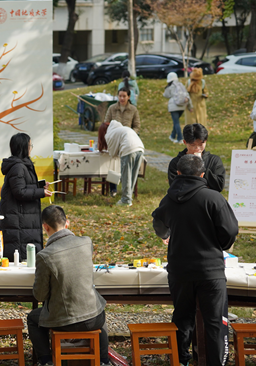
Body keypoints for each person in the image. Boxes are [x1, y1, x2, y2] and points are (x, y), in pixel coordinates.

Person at [153, 155, 238, 366]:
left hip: (180, 270)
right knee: (215, 323)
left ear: (178, 173)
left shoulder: (168, 199)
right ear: (202, 174)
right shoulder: (213, 198)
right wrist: (218, 244)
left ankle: (180, 361)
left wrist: (167, 235)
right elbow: (230, 231)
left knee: (182, 318)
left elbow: (159, 225)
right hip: (210, 270)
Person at [27, 205, 110, 366]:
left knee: (33, 318)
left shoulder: (45, 256)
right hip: (94, 319)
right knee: (99, 308)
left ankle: (46, 361)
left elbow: (40, 295)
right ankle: (104, 360)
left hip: (64, 321)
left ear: (45, 227)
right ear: (67, 223)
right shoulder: (86, 242)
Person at [0, 133, 52, 261]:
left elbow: (24, 185)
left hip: (24, 217)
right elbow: (19, 192)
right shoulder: (18, 167)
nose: (31, 148)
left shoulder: (22, 165)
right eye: (30, 145)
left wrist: (39, 186)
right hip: (18, 219)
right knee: (20, 253)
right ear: (23, 147)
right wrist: (40, 192)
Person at [98, 120, 144, 207]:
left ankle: (125, 200)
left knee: (126, 176)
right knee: (132, 176)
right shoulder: (123, 129)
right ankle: (128, 197)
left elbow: (112, 153)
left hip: (128, 150)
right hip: (140, 148)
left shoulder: (109, 134)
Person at [168, 124, 225, 193]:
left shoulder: (214, 161)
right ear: (185, 142)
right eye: (193, 145)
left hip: (207, 198)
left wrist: (201, 166)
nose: (197, 148)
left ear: (205, 141)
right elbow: (175, 188)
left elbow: (219, 186)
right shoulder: (176, 162)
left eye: (201, 145)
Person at [163, 72, 193, 144]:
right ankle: (172, 136)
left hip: (173, 107)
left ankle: (180, 138)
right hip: (182, 107)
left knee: (176, 122)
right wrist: (190, 106)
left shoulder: (170, 86)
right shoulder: (181, 85)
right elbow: (187, 95)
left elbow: (166, 95)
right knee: (176, 122)